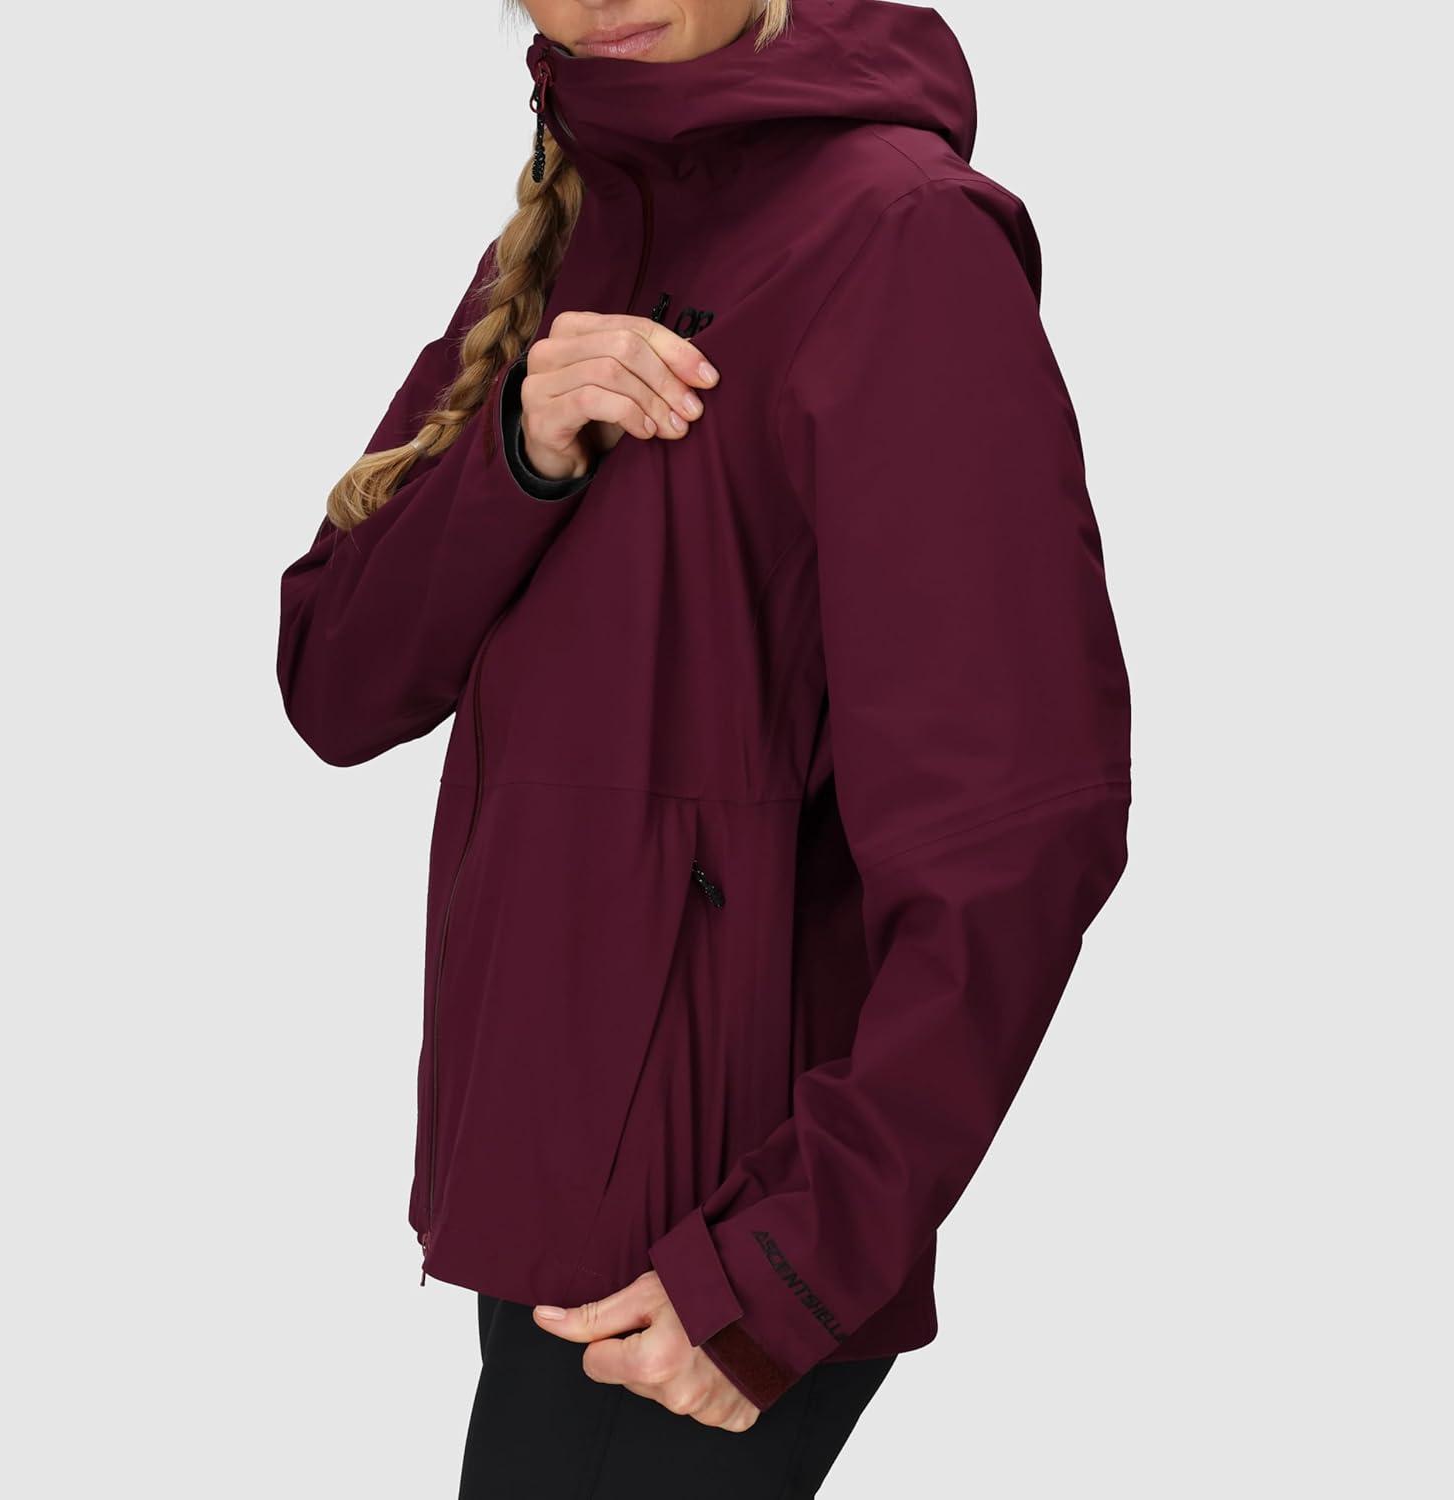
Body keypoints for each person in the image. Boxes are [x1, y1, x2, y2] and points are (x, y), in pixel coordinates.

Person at [276, 0, 1132, 1492]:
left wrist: (788, 1265)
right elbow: (337, 682)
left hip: (714, 1236)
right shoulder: (580, 228)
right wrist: (518, 455)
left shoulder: (899, 239)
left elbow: (1016, 833)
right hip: (550, 1191)